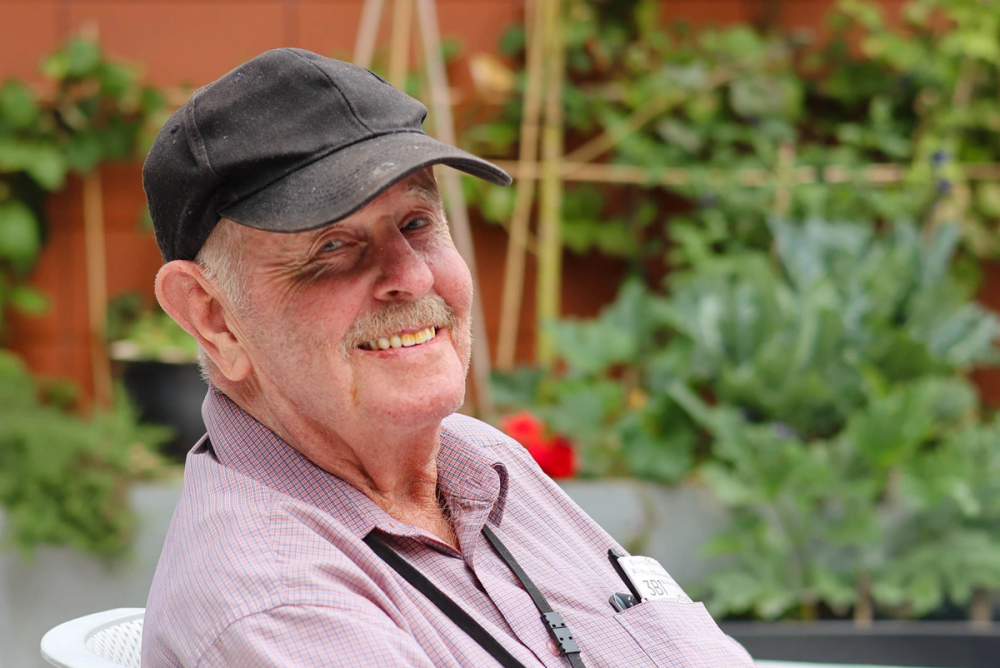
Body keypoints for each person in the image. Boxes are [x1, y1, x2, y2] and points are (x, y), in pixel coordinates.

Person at [141, 47, 754, 668]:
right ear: (213, 318)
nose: (410, 276)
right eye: (332, 245)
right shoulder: (282, 602)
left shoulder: (480, 462)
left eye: (415, 223)